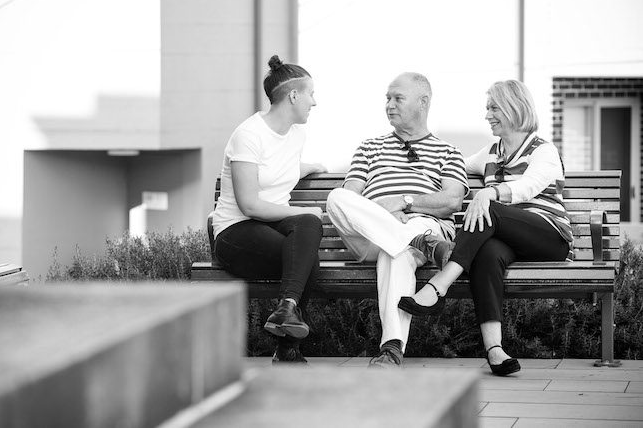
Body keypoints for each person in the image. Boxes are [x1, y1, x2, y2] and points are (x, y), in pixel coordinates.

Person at [399, 79, 573, 376]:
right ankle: (495, 350)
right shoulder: (492, 152)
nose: (487, 114)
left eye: (493, 108)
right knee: (487, 252)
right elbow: (454, 167)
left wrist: (490, 192)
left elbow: (527, 187)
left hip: (548, 236)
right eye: (487, 108)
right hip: (507, 238)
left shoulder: (543, 151)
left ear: (513, 108)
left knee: (488, 208)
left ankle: (438, 286)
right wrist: (413, 177)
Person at [326, 72, 468, 369]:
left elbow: (452, 200)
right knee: (335, 199)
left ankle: (391, 349)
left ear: (423, 102)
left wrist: (404, 202)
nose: (389, 104)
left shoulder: (448, 152)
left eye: (397, 98)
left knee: (397, 251)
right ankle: (419, 243)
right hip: (369, 236)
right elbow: (349, 197)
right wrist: (379, 213)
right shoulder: (369, 147)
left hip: (422, 223)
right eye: (387, 99)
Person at [212, 55, 327, 364]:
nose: (314, 103)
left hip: (268, 227)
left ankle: (286, 308)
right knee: (307, 254)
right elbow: (249, 204)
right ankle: (288, 347)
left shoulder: (296, 135)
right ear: (293, 95)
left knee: (306, 233)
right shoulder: (248, 135)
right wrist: (305, 211)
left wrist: (310, 168)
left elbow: (279, 167)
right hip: (235, 233)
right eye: (310, 94)